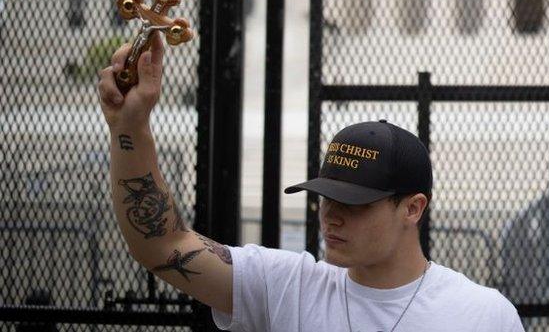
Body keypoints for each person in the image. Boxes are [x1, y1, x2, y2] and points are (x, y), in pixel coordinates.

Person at [98, 33, 524, 331]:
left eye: (355, 204)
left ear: (412, 208)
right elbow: (161, 245)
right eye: (325, 199)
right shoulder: (287, 288)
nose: (331, 218)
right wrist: (131, 126)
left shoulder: (482, 315)